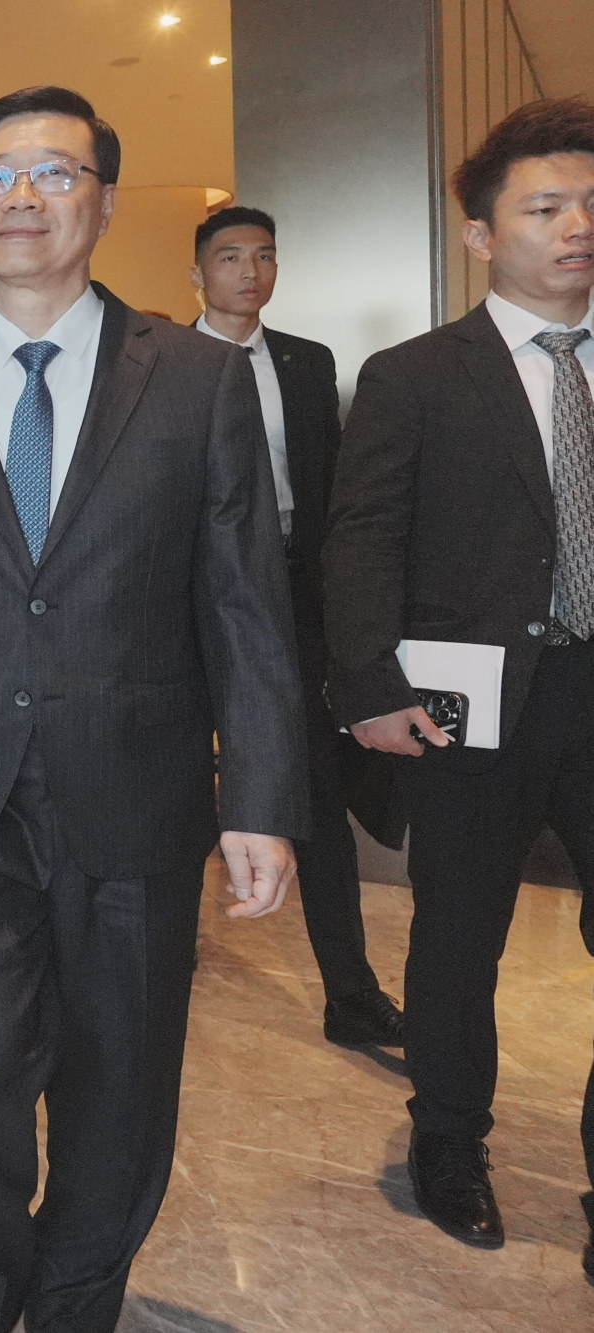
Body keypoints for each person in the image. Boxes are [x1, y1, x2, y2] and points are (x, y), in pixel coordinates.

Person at [0, 87, 306, 1332]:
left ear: (102, 199)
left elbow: (244, 603)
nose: (23, 197)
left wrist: (260, 797)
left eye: (53, 172)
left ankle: (78, 1300)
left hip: (136, 785)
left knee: (120, 1079)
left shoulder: (197, 380)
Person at [324, 97, 594, 1256]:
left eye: (591, 204)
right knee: (456, 938)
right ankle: (447, 1140)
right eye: (545, 207)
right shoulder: (416, 375)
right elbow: (361, 537)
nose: (577, 225)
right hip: (472, 707)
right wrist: (369, 685)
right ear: (481, 234)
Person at [189, 206, 405, 1050]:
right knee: (172, 787)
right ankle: (153, 962)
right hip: (187, 598)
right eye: (229, 256)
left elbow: (335, 490)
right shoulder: (159, 363)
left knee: (313, 791)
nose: (249, 271)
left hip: (291, 593)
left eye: (264, 255)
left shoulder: (306, 362)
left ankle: (349, 993)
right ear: (196, 274)